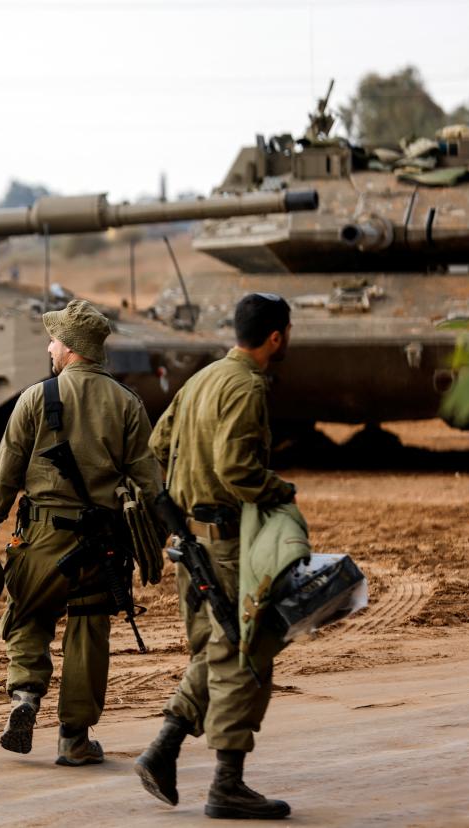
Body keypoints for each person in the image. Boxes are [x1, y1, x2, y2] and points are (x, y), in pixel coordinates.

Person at [0, 299, 160, 766]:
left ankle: (25, 697)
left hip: (38, 540)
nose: (50, 347)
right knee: (89, 632)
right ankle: (74, 739)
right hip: (101, 545)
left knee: (27, 612)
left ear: (71, 348)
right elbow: (150, 485)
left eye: (54, 340)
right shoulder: (127, 403)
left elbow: (5, 470)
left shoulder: (37, 397)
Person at [135, 292, 295, 820]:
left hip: (191, 544)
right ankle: (227, 785)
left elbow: (158, 444)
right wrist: (279, 490)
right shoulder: (246, 386)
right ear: (276, 337)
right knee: (241, 659)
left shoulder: (202, 378)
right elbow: (236, 471)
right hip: (224, 547)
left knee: (215, 652)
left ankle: (163, 749)